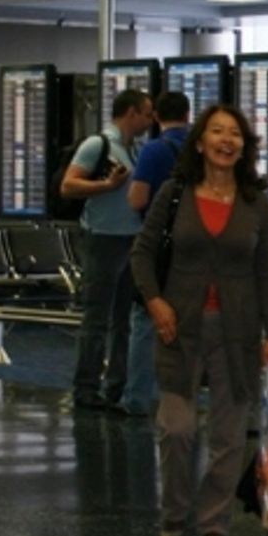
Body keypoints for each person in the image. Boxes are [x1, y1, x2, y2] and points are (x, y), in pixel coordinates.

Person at [129, 104, 268, 536]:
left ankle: (214, 523)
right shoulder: (175, 194)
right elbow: (141, 253)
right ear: (200, 142)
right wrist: (155, 300)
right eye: (217, 131)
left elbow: (265, 272)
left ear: (244, 146)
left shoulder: (256, 203)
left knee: (230, 436)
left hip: (237, 332)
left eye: (235, 133)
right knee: (176, 429)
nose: (226, 139)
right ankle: (174, 516)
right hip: (180, 327)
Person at [65, 88, 155, 410]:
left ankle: (116, 386)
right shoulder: (98, 145)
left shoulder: (137, 148)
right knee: (97, 318)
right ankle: (85, 388)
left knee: (123, 320)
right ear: (130, 113)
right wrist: (106, 186)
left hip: (131, 239)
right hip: (102, 239)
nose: (149, 120)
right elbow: (69, 185)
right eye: (146, 113)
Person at [117, 90, 192, 418]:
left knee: (146, 320)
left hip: (161, 249)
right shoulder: (200, 148)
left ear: (158, 117)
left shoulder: (154, 150)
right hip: (197, 245)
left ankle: (137, 398)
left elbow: (136, 199)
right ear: (189, 114)